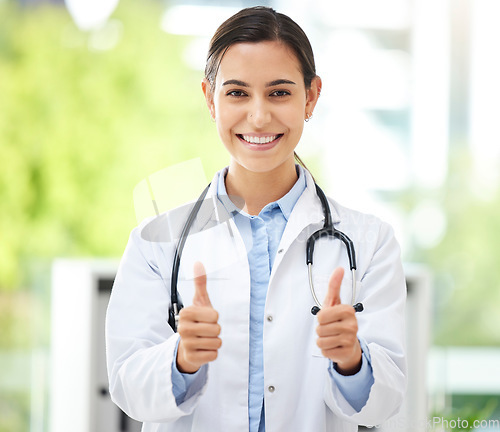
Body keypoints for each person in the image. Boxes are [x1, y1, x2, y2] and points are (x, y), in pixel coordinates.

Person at [106, 6, 407, 432]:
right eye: (237, 93)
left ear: (312, 97)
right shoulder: (157, 241)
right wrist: (182, 359)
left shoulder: (370, 241)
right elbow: (127, 387)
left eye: (280, 92)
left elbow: (386, 402)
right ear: (210, 99)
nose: (260, 115)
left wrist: (352, 361)